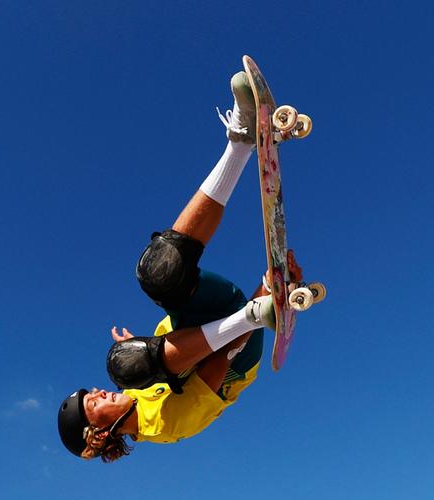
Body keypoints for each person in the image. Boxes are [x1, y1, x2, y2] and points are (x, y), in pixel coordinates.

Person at [57, 70, 303, 462]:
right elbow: (224, 359)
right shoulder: (167, 426)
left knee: (157, 275)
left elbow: (148, 359)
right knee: (129, 365)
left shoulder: (136, 383)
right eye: (93, 405)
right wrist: (267, 295)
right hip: (239, 344)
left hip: (210, 312)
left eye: (91, 392)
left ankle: (239, 143)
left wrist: (144, 351)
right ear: (99, 434)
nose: (99, 393)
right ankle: (256, 314)